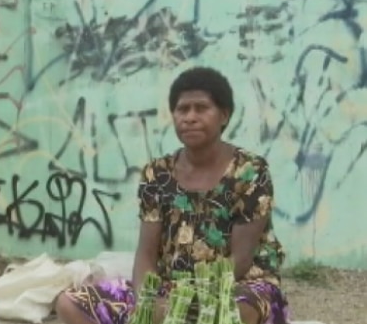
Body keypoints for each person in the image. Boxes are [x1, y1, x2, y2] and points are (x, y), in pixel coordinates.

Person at [55, 67, 290, 324]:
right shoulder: (158, 174)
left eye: (201, 108)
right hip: (170, 289)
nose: (189, 117)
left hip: (237, 287)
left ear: (224, 115)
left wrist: (191, 303)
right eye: (182, 109)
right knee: (70, 303)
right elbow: (146, 254)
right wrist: (147, 301)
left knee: (229, 316)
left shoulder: (250, 171)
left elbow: (241, 260)